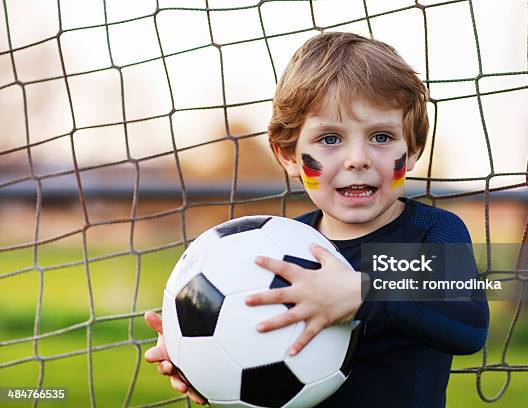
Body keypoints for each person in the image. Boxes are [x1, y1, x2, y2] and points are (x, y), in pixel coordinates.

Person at [144, 32, 489, 407]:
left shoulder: (435, 232)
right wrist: (197, 361)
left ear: (414, 148)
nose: (357, 158)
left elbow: (469, 326)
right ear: (288, 155)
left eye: (381, 136)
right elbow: (249, 345)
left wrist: (363, 295)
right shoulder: (283, 246)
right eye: (329, 139)